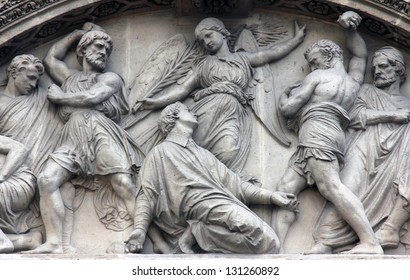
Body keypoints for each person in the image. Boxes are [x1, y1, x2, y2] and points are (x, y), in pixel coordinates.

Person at [27, 23, 144, 253]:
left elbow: (93, 97)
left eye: (107, 50)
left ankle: (140, 230)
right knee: (47, 180)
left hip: (100, 130)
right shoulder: (70, 78)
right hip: (72, 135)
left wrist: (61, 98)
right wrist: (77, 33)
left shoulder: (110, 78)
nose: (103, 52)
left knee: (123, 183)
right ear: (83, 51)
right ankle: (53, 243)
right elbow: (52, 58)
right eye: (99, 46)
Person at [273, 11, 383, 254]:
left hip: (316, 133)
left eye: (313, 61)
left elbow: (288, 109)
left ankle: (370, 242)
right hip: (330, 135)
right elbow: (360, 54)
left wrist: (285, 95)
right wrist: (350, 30)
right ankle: (275, 252)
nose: (311, 66)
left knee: (331, 187)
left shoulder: (317, 77)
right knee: (285, 188)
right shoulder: (353, 81)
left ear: (330, 56)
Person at [125, 102, 299, 254]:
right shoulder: (160, 153)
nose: (194, 112)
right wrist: (139, 230)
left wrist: (271, 197)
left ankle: (197, 232)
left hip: (217, 204)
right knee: (268, 241)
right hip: (198, 206)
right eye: (187, 109)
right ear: (174, 117)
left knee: (269, 244)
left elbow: (235, 184)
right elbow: (146, 195)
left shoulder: (204, 155)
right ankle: (196, 232)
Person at [140, 17, 306, 173]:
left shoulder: (243, 59)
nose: (206, 42)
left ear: (223, 32)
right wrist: (156, 102)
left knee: (229, 150)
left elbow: (272, 52)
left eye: (208, 35)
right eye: (201, 41)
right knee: (194, 150)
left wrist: (296, 39)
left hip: (233, 112)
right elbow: (182, 89)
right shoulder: (203, 65)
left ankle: (217, 187)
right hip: (207, 110)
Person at [311, 46, 410, 252]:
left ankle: (390, 229)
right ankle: (329, 239)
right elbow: (352, 117)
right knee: (347, 187)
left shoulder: (407, 104)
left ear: (399, 69)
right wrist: (391, 116)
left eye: (383, 67)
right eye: (374, 69)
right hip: (363, 147)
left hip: (397, 157)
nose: (377, 72)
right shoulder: (366, 91)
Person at [0, 135, 43, 253]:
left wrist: (2, 176)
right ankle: (27, 240)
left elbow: (20, 149)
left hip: (17, 182)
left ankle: (2, 241)